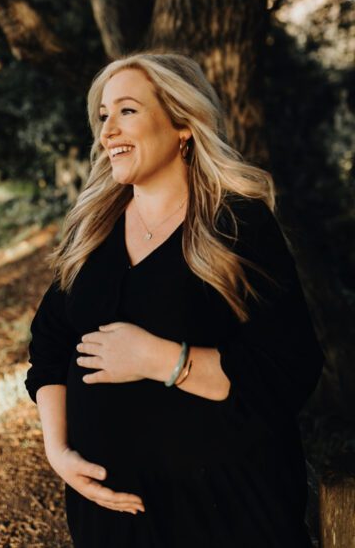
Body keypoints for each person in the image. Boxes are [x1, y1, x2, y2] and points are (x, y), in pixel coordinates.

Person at [24, 53, 323, 547]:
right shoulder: (93, 231)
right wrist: (57, 451)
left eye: (127, 111)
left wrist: (161, 359)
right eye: (103, 115)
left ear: (182, 124)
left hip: (225, 516)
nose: (108, 132)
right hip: (109, 519)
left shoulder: (237, 227)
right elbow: (50, 345)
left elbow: (290, 368)